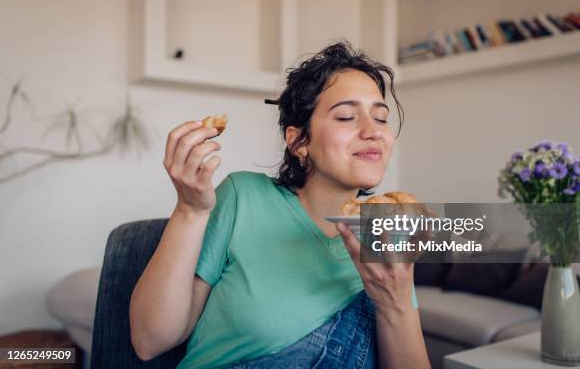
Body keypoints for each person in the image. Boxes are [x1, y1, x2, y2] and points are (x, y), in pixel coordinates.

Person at [129, 42, 431, 369]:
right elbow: (149, 341)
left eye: (381, 118)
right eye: (346, 116)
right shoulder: (244, 196)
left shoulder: (387, 229)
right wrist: (190, 210)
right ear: (299, 141)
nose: (373, 132)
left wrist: (395, 303)